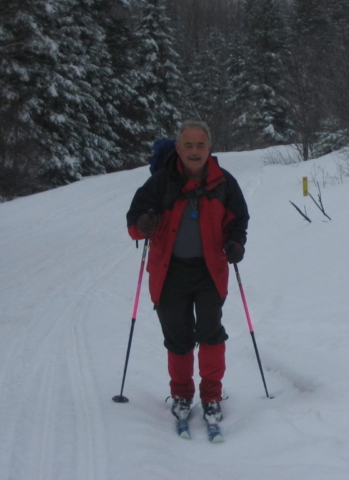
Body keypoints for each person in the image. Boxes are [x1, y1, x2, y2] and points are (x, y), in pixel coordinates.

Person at [126, 120, 249, 431]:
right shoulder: (161, 183)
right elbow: (133, 223)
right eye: (188, 145)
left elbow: (238, 219)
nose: (194, 151)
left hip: (210, 271)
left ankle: (211, 397)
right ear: (178, 148)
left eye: (200, 145)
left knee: (210, 334)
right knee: (178, 338)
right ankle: (181, 395)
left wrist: (235, 243)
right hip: (170, 273)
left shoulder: (223, 183)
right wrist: (144, 223)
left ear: (209, 148)